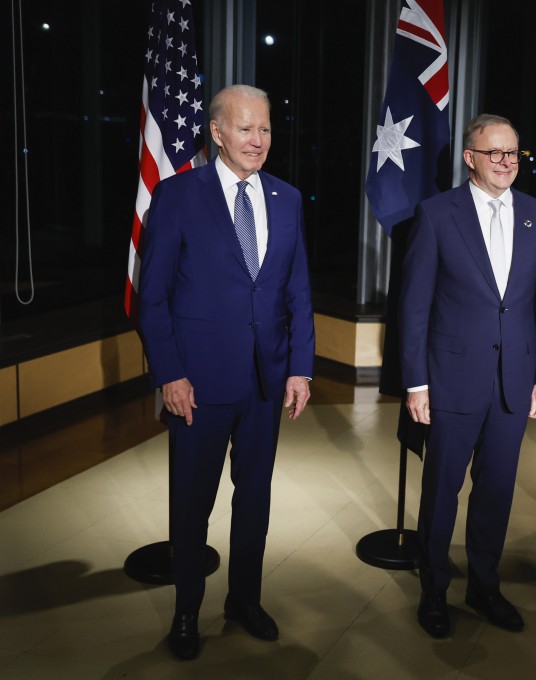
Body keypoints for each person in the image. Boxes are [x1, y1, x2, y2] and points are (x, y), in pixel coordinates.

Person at [138, 84, 315, 659]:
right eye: (246, 129)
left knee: (255, 499)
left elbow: (297, 292)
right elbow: (154, 297)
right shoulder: (177, 196)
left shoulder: (287, 199)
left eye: (265, 129)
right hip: (197, 384)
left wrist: (301, 369)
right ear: (217, 132)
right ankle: (186, 611)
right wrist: (170, 374)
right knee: (192, 504)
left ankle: (244, 599)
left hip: (266, 381)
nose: (259, 140)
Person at [400, 114, 536, 638]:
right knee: (441, 491)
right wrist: (416, 382)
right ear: (470, 158)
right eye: (494, 153)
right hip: (450, 380)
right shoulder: (436, 214)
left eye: (513, 153)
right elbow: (415, 306)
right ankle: (434, 590)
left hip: (515, 382)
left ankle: (485, 586)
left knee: (496, 491)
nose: (506, 163)